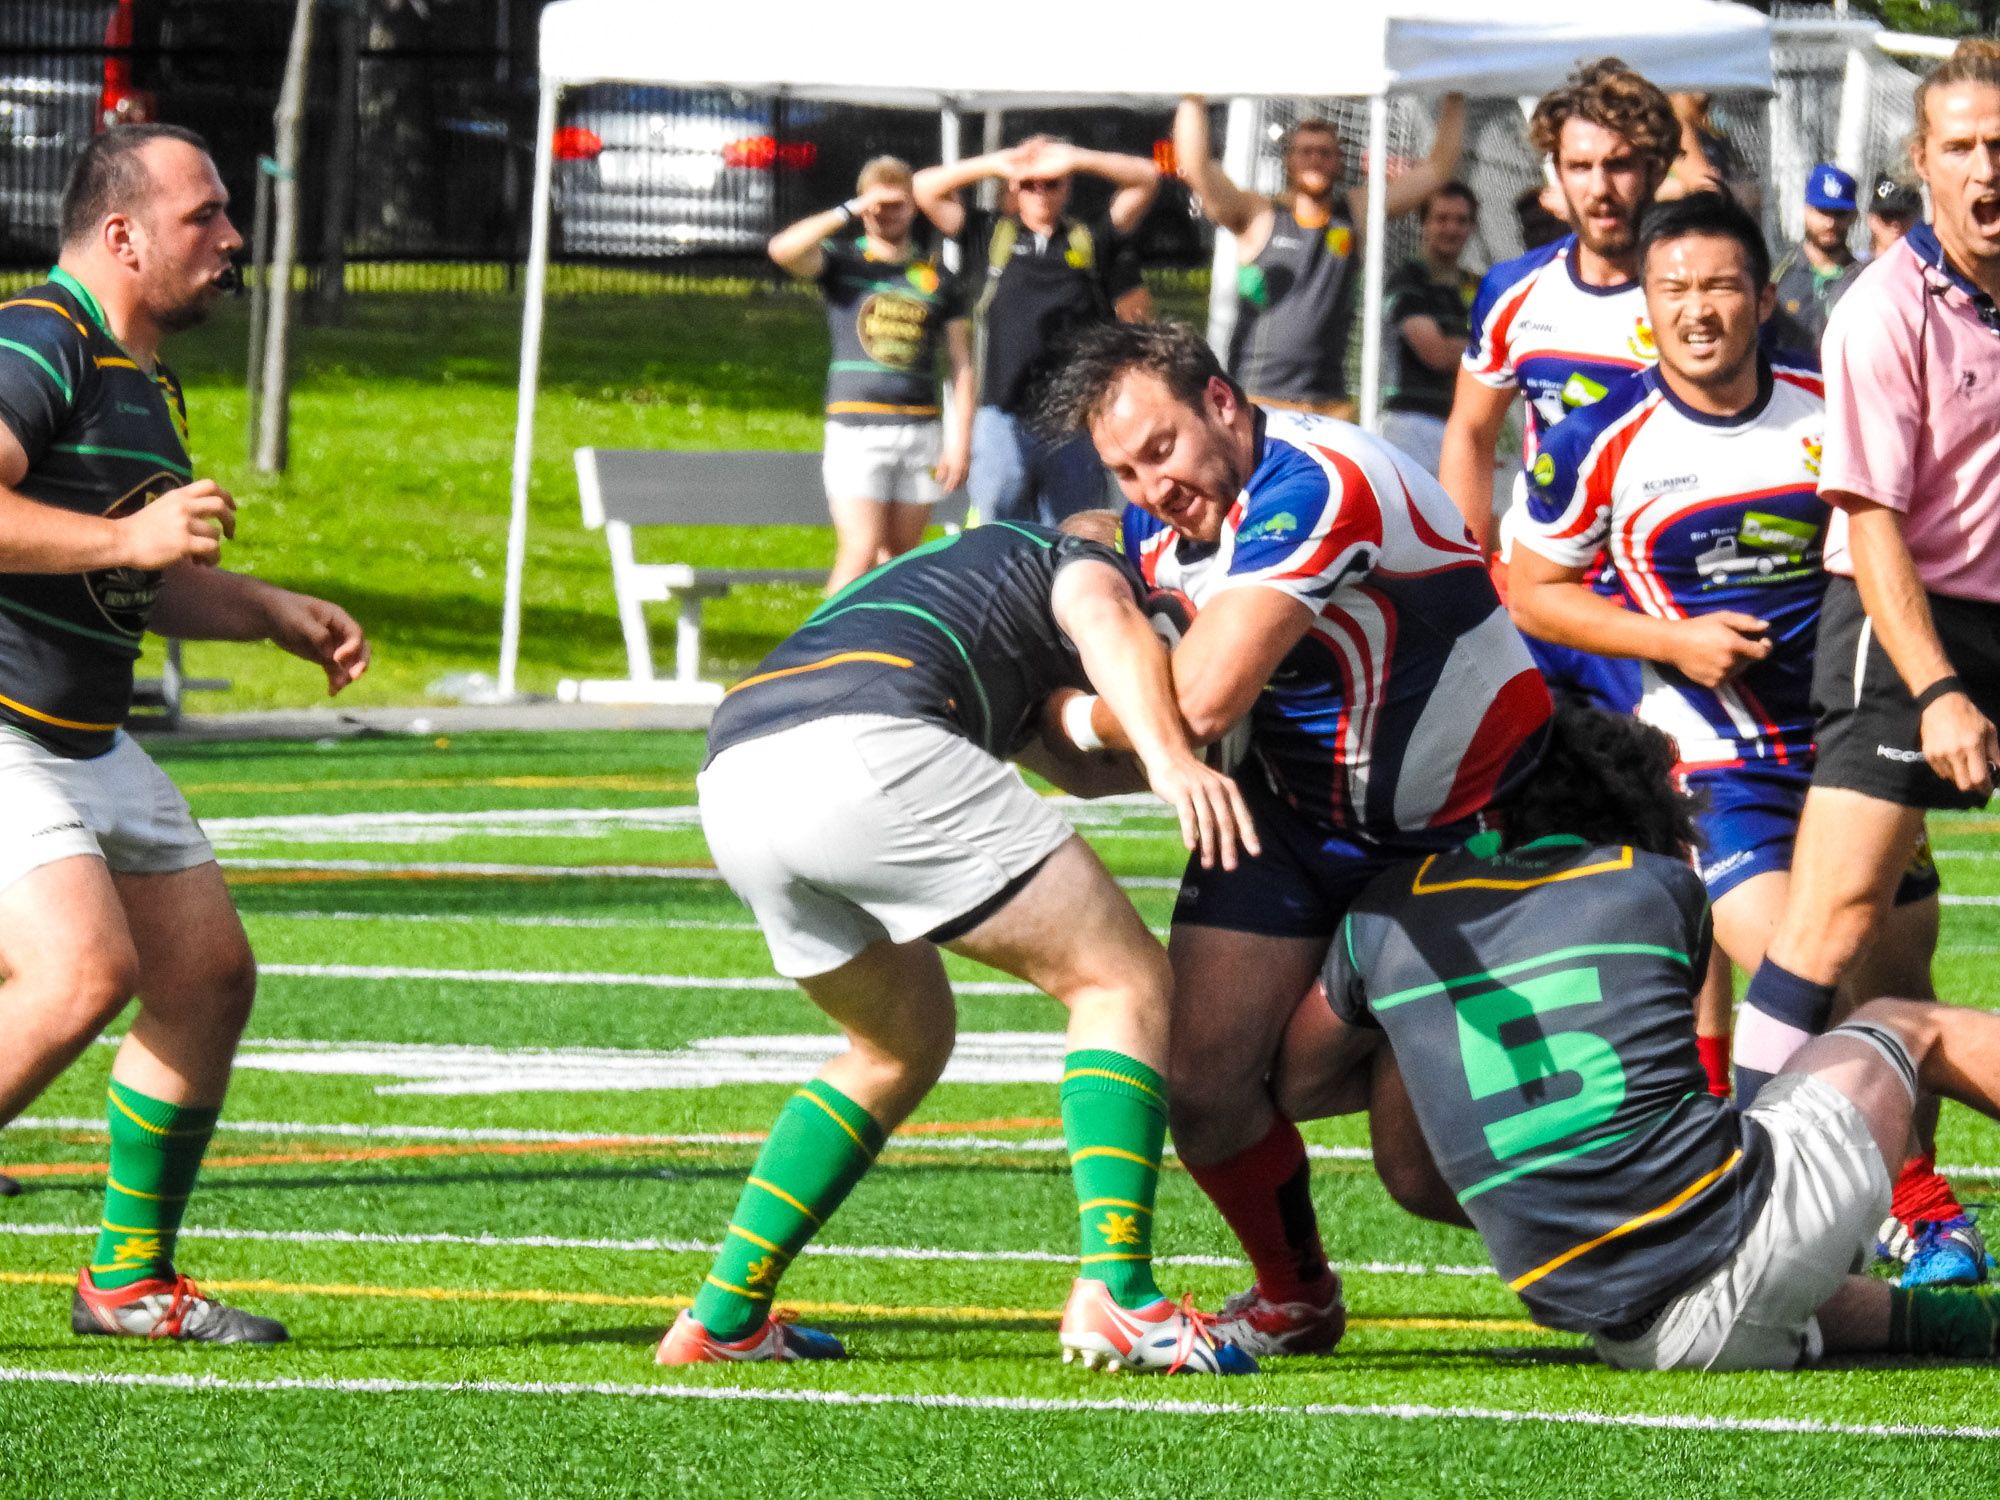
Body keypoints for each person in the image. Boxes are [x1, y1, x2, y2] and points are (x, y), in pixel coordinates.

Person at [1033, 319, 1552, 1358]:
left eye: (1163, 449)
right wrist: (1089, 554)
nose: (1152, 490)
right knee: (1198, 1079)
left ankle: (1673, 1228)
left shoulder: (1314, 482)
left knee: (1418, 1170)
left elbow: (1200, 699)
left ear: (1222, 403)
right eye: (1125, 471)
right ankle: (1296, 1295)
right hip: (1293, 815)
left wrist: (1075, 701)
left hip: (1463, 827)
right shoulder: (1159, 512)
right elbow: (1099, 539)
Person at [665, 515, 1259, 1374]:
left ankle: (722, 1317)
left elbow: (1077, 769)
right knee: (1119, 981)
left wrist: (1173, 744)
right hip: (866, 744)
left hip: (735, 776)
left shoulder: (966, 599)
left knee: (892, 1048)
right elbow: (1103, 614)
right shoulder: (1080, 558)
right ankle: (1119, 1293)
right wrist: (1174, 757)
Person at [1278, 705, 2000, 1373]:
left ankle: (1952, 1324)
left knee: (1745, 1276)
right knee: (1909, 1026)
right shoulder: (1651, 884)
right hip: (1732, 1240)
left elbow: (1301, 1086)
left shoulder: (1384, 918)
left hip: (1641, 1336)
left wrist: (1427, 1043)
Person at [0, 125, 371, 1340]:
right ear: (122, 235)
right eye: (203, 214)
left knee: (206, 978)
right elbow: (110, 542)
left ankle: (126, 1279)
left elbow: (126, 577)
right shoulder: (40, 336)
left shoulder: (142, 377)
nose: (232, 236)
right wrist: (131, 537)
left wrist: (262, 610)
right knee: (78, 976)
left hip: (83, 733)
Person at [1506, 191, 1941, 1110]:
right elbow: (1534, 593)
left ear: (1765, 298)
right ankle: (1877, 1184)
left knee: (1902, 993)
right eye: (1674, 290)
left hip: (1859, 745)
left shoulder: (1835, 411)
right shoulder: (1597, 440)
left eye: (1720, 287)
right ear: (1647, 306)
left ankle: (1912, 1186)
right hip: (1718, 765)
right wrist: (1672, 640)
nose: (1697, 311)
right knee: (1810, 986)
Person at [1733, 39, 2000, 1289]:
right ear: (1921, 163)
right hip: (1904, 627)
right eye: (1962, 147)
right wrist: (1938, 688)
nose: (1987, 169)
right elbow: (1871, 521)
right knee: (1832, 922)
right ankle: (1730, 1196)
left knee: (1900, 952)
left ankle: (1918, 1208)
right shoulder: (1882, 307)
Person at [1441, 59, 1680, 555]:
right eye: (1579, 167)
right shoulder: (1512, 289)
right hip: (1542, 573)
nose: (1599, 189)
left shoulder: (1698, 294)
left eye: (1619, 165)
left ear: (1655, 170)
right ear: (1557, 175)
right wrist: (1462, 573)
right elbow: (1471, 431)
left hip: (1661, 578)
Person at [912, 138, 1158, 526]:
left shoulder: (1090, 237)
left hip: (1076, 420)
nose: (1040, 192)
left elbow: (1146, 178)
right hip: (1001, 415)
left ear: (1067, 188)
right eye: (1030, 184)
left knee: (1077, 534)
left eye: (1052, 183)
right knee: (999, 533)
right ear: (1015, 187)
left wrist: (1076, 157)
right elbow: (924, 188)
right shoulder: (990, 235)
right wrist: (998, 163)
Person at [1173, 96, 1464, 421]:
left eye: (1325, 153)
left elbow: (1437, 170)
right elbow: (1196, 168)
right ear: (1288, 160)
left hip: (1329, 403)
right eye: (1306, 152)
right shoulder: (1260, 214)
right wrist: (1193, 98)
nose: (1315, 160)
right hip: (1262, 399)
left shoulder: (1355, 213)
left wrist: (1455, 94)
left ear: (1340, 162)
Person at [768, 157, 973, 594]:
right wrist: (847, 209)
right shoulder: (843, 263)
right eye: (876, 205)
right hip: (856, 426)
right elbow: (782, 250)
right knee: (859, 550)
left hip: (919, 429)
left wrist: (959, 440)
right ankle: (822, 639)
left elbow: (962, 362)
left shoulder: (936, 276)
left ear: (913, 206)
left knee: (901, 558)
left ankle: (886, 637)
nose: (886, 214)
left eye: (896, 204)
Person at [1380, 182, 1481, 476]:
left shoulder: (1478, 285)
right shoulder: (1406, 280)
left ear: (1472, 227)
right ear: (1423, 223)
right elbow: (1436, 353)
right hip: (1410, 423)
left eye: (1461, 220)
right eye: (1442, 219)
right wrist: (1483, 349)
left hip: (1463, 424)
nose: (1451, 228)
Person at [1768, 164, 1862, 356]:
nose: (1830, 223)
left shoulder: (1864, 280)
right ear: (1806, 212)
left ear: (1853, 217)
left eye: (1839, 214)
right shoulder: (1778, 273)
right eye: (1823, 211)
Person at [1866, 174, 1922, 259]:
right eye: (1888, 216)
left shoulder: (1933, 266)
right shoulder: (1858, 268)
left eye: (1903, 216)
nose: (1896, 224)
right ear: (1872, 220)